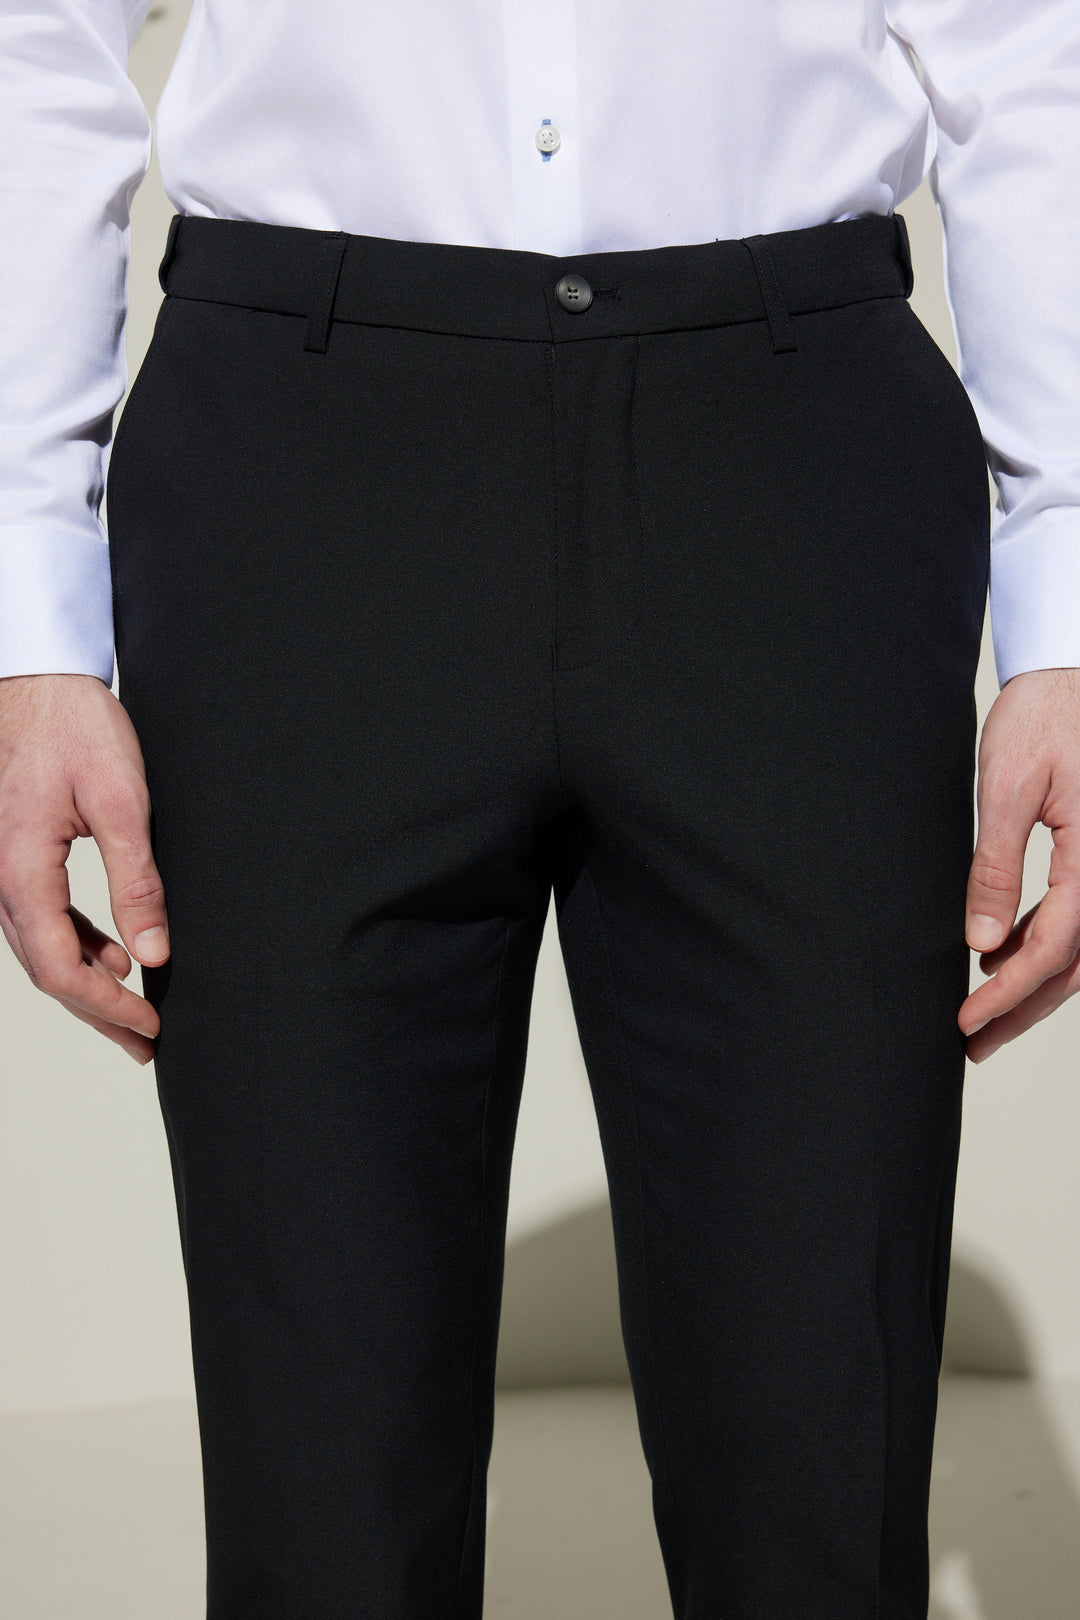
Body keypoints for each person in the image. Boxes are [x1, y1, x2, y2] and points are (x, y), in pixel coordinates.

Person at [1, 3, 1078, 1616]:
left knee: (817, 1479)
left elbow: (1029, 46)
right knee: (320, 1506)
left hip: (793, 470)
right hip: (299, 478)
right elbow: (34, 41)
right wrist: (29, 619)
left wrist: (1068, 609)